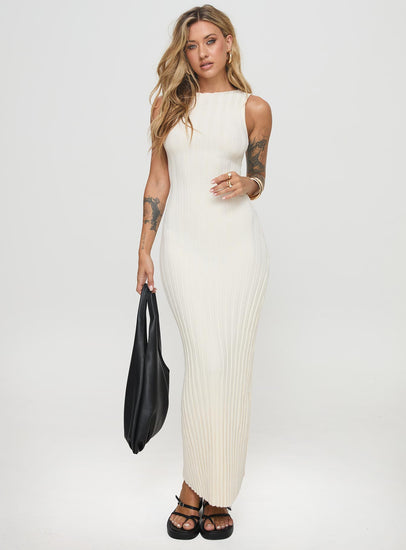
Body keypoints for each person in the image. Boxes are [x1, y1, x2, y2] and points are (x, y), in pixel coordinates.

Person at [136, 4, 272, 541]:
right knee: (203, 362)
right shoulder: (167, 107)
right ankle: (194, 485)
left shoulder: (254, 108)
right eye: (192, 45)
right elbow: (158, 181)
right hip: (184, 249)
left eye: (211, 41)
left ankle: (217, 492)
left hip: (239, 251)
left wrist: (245, 184)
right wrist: (144, 249)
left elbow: (259, 177)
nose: (202, 53)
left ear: (228, 42)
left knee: (230, 367)